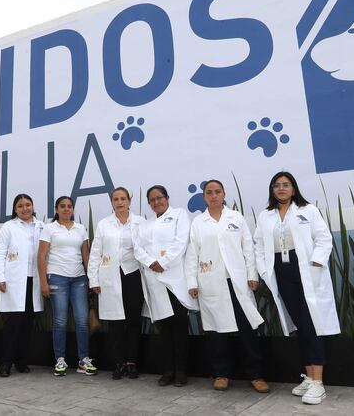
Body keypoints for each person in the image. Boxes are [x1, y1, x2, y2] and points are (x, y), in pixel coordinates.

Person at [254, 171, 340, 405]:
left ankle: (319, 383)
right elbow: (259, 246)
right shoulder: (265, 216)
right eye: (276, 185)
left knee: (312, 324)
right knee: (301, 325)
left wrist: (315, 263)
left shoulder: (308, 210)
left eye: (286, 185)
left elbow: (324, 239)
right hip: (281, 273)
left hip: (306, 272)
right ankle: (309, 377)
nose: (281, 188)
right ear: (272, 190)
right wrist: (264, 270)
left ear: (293, 188)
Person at [185, 180, 269, 393]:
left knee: (247, 330)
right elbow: (192, 254)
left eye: (217, 192)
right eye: (209, 193)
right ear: (204, 197)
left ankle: (256, 374)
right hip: (211, 284)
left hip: (238, 283)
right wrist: (192, 282)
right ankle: (221, 374)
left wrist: (252, 274)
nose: (214, 195)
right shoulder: (198, 222)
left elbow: (248, 247)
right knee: (217, 332)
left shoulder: (236, 218)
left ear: (223, 194)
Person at [134, 185, 198, 387]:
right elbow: (137, 247)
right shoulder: (145, 224)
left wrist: (163, 262)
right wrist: (151, 263)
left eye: (159, 198)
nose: (156, 202)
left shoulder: (179, 215)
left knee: (179, 327)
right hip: (155, 280)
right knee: (164, 329)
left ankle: (181, 372)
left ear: (167, 198)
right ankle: (168, 370)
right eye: (152, 200)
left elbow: (181, 242)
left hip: (174, 279)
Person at [88, 187, 145, 380]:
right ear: (111, 202)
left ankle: (131, 362)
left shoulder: (140, 223)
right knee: (115, 324)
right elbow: (96, 253)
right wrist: (93, 279)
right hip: (110, 277)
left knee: (133, 321)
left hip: (133, 275)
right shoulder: (104, 224)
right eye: (115, 199)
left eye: (123, 199)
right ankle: (119, 363)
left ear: (129, 201)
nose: (119, 202)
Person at [37, 196, 97, 377]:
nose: (66, 209)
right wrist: (43, 282)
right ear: (56, 209)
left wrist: (91, 279)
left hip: (79, 279)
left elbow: (86, 256)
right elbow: (41, 257)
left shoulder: (81, 228)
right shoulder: (49, 229)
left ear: (73, 209)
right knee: (60, 321)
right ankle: (60, 360)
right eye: (62, 206)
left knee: (81, 321)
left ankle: (83, 361)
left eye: (69, 206)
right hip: (57, 278)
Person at [0, 193, 45, 377]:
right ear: (15, 209)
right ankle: (5, 363)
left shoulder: (42, 226)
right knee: (13, 325)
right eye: (20, 206)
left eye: (28, 205)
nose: (25, 208)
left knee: (27, 325)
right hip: (14, 281)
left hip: (34, 281)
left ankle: (21, 362)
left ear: (33, 206)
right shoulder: (9, 227)